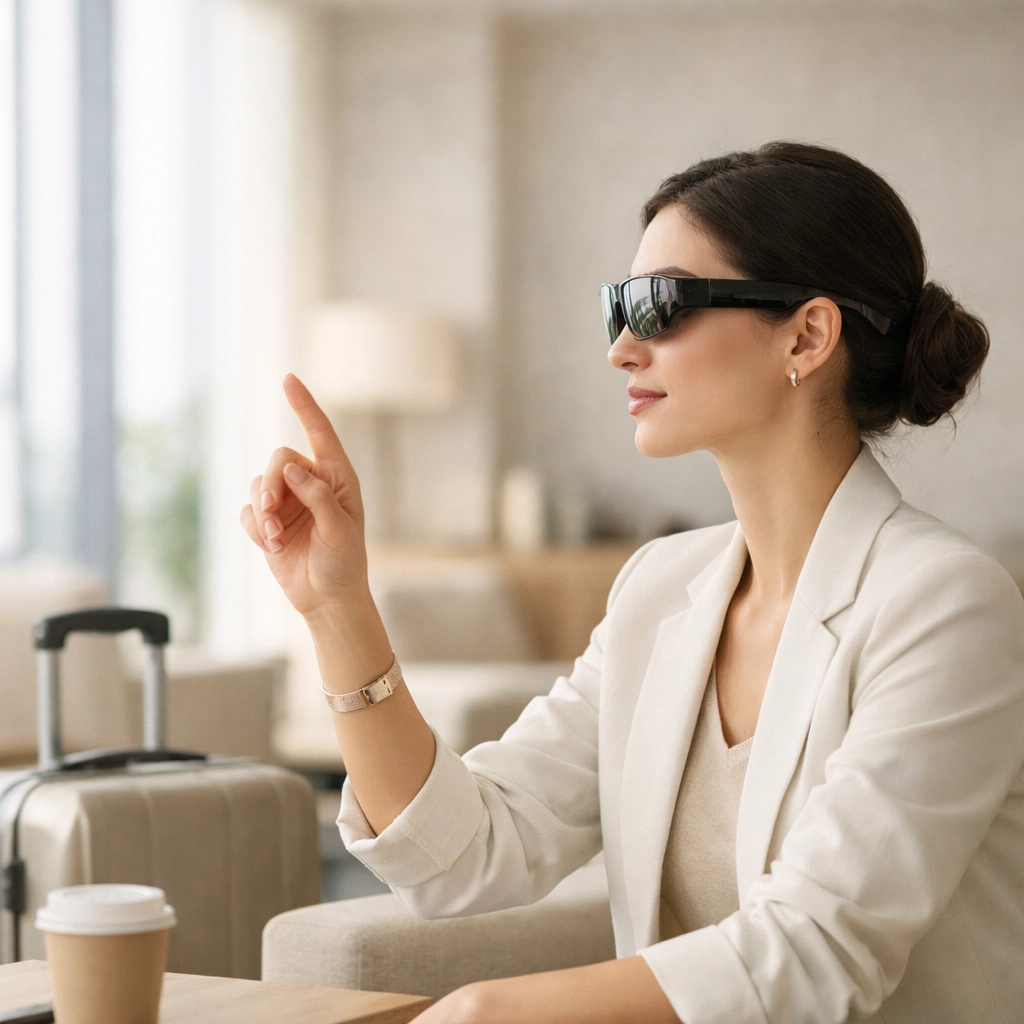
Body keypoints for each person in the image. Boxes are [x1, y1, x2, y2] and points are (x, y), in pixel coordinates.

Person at [240, 142, 1024, 1024]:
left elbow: (814, 952)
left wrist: (484, 1011)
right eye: (620, 306)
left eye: (658, 307)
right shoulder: (662, 588)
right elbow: (466, 853)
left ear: (806, 335)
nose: (621, 348)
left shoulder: (948, 604)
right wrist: (338, 606)